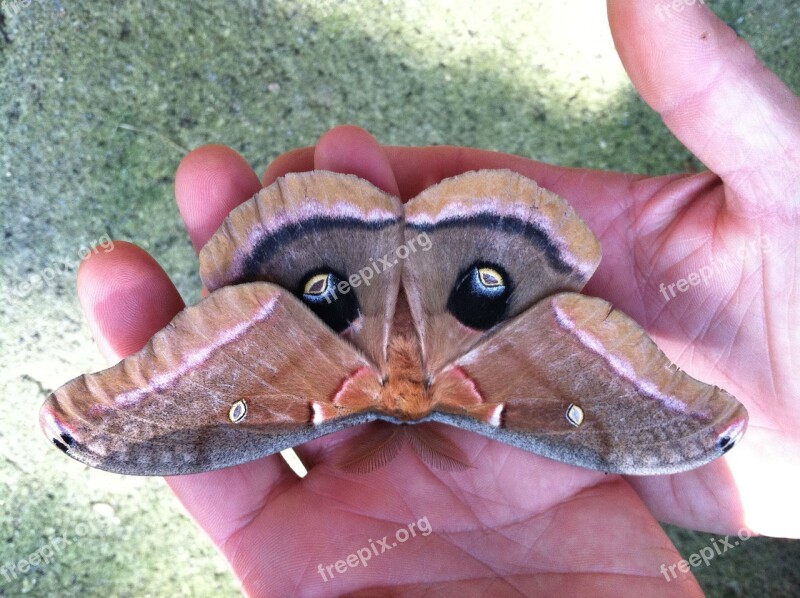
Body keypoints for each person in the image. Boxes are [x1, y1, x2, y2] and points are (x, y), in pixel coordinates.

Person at [74, 1, 799, 594]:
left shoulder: (367, 407)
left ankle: (335, 296)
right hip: (471, 277)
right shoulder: (491, 405)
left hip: (322, 263)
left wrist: (146, 425)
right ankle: (456, 285)